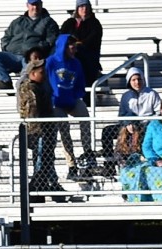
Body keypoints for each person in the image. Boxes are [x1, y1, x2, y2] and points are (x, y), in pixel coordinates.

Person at [46, 33, 97, 180]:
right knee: (64, 130)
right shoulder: (51, 62)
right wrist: (50, 97)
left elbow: (80, 83)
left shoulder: (76, 63)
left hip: (71, 99)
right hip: (56, 102)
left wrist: (75, 95)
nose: (75, 50)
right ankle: (71, 164)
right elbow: (44, 80)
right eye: (72, 47)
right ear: (64, 47)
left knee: (86, 118)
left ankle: (88, 153)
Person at [100, 67, 161, 177]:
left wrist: (146, 122)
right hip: (129, 125)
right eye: (133, 80)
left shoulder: (152, 94)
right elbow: (121, 115)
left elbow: (159, 113)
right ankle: (109, 164)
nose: (137, 82)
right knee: (107, 131)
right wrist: (127, 123)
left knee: (143, 133)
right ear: (129, 81)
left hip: (146, 125)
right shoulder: (126, 96)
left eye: (139, 79)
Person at [18, 59, 64, 202]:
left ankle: (47, 187)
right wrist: (37, 132)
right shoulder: (30, 89)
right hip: (40, 131)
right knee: (42, 161)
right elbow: (32, 112)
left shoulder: (40, 86)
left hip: (46, 129)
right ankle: (36, 190)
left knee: (46, 160)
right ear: (32, 73)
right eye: (41, 72)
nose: (44, 74)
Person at [0, 0, 59, 90]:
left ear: (41, 5)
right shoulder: (17, 22)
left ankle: (25, 88)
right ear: (27, 5)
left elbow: (51, 41)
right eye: (32, 5)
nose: (35, 7)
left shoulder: (49, 22)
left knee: (28, 67)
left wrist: (35, 50)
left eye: (37, 4)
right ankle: (5, 81)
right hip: (14, 55)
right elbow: (6, 38)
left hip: (31, 57)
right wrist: (7, 47)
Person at [59, 0, 103, 88]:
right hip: (70, 58)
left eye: (87, 6)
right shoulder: (69, 23)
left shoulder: (95, 24)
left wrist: (77, 44)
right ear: (77, 8)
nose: (84, 9)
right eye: (82, 6)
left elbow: (92, 41)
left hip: (88, 59)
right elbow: (62, 38)